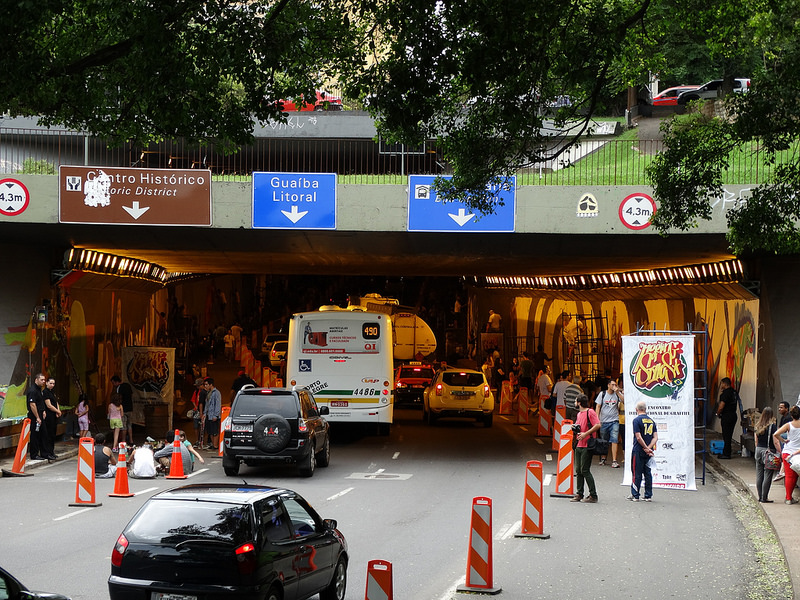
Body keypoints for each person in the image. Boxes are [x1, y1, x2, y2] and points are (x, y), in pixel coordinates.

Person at [572, 394, 600, 503]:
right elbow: (579, 425)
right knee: (578, 470)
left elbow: (597, 425)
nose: (575, 403)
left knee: (585, 470)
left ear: (579, 402)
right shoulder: (579, 414)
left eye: (575, 401)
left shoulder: (590, 412)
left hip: (587, 444)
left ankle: (593, 495)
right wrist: (574, 428)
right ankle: (579, 493)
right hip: (579, 444)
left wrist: (586, 434)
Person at [628, 401, 658, 502]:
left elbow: (638, 437)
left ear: (637, 410)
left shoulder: (636, 420)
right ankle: (648, 495)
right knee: (647, 473)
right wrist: (649, 448)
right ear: (645, 409)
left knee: (636, 472)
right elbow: (655, 437)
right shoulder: (651, 421)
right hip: (649, 452)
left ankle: (635, 494)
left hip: (638, 450)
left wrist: (645, 447)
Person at [772, 405, 800, 504]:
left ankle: (788, 498)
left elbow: (775, 434)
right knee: (796, 476)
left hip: (787, 452)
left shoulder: (788, 425)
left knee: (789, 476)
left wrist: (783, 441)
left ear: (791, 415)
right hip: (798, 453)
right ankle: (790, 498)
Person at [595, 377, 622, 468]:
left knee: (614, 440)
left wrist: (618, 392)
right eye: (613, 385)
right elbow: (598, 406)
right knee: (604, 440)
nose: (614, 386)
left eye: (615, 385)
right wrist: (597, 419)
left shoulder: (617, 394)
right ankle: (603, 458)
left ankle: (614, 460)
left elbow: (625, 401)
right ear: (608, 385)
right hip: (604, 421)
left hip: (614, 420)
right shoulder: (602, 394)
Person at [754, 406, 777, 503]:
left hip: (758, 450)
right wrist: (779, 451)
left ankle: (760, 496)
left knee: (759, 474)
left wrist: (757, 449)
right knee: (768, 474)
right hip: (768, 452)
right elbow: (775, 441)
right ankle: (764, 497)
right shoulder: (772, 426)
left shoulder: (757, 425)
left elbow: (756, 441)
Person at [715, 377, 738, 459]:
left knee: (726, 435)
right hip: (733, 415)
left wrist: (717, 413)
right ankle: (727, 451)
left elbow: (721, 406)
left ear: (725, 384)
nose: (721, 385)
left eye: (722, 384)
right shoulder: (734, 392)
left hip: (726, 416)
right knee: (729, 434)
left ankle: (726, 454)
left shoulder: (725, 394)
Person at [26, 373, 46, 460]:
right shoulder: (33, 390)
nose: (43, 382)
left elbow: (40, 402)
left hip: (40, 414)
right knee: (35, 435)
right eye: (41, 380)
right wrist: (37, 417)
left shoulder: (39, 389)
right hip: (34, 416)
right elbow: (32, 405)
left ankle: (42, 453)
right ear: (36, 380)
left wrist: (43, 411)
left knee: (41, 434)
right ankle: (34, 454)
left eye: (44, 380)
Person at [41, 377, 61, 460]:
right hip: (49, 416)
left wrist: (58, 410)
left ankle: (52, 451)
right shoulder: (45, 392)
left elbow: (56, 402)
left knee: (53, 435)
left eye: (53, 383)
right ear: (47, 383)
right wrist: (57, 411)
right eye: (50, 383)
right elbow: (49, 405)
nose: (52, 385)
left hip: (54, 416)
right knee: (48, 435)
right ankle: (48, 452)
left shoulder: (52, 392)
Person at [111, 375, 134, 446]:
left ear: (116, 382)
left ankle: (123, 441)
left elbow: (118, 398)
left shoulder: (119, 388)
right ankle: (131, 440)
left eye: (113, 383)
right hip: (130, 408)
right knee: (129, 424)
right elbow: (131, 394)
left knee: (124, 426)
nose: (113, 385)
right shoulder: (128, 385)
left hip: (123, 409)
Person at [775, 400, 792, 481]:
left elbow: (782, 431)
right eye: (779, 407)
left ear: (787, 409)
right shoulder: (783, 417)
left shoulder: (788, 418)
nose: (779, 409)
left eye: (781, 407)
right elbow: (779, 428)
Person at [203, 378, 222, 450]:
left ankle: (215, 445)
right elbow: (207, 404)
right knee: (210, 431)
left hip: (214, 415)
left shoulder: (216, 393)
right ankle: (213, 444)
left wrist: (216, 415)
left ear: (211, 385)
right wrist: (205, 413)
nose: (205, 386)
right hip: (209, 415)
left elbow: (218, 404)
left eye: (207, 384)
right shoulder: (209, 393)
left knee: (215, 431)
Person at [190, 378, 206, 446]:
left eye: (198, 386)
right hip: (197, 411)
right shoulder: (196, 391)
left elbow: (202, 403)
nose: (198, 387)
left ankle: (202, 440)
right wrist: (196, 407)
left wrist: (201, 412)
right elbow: (193, 400)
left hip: (203, 411)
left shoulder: (205, 392)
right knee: (196, 426)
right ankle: (197, 440)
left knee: (203, 427)